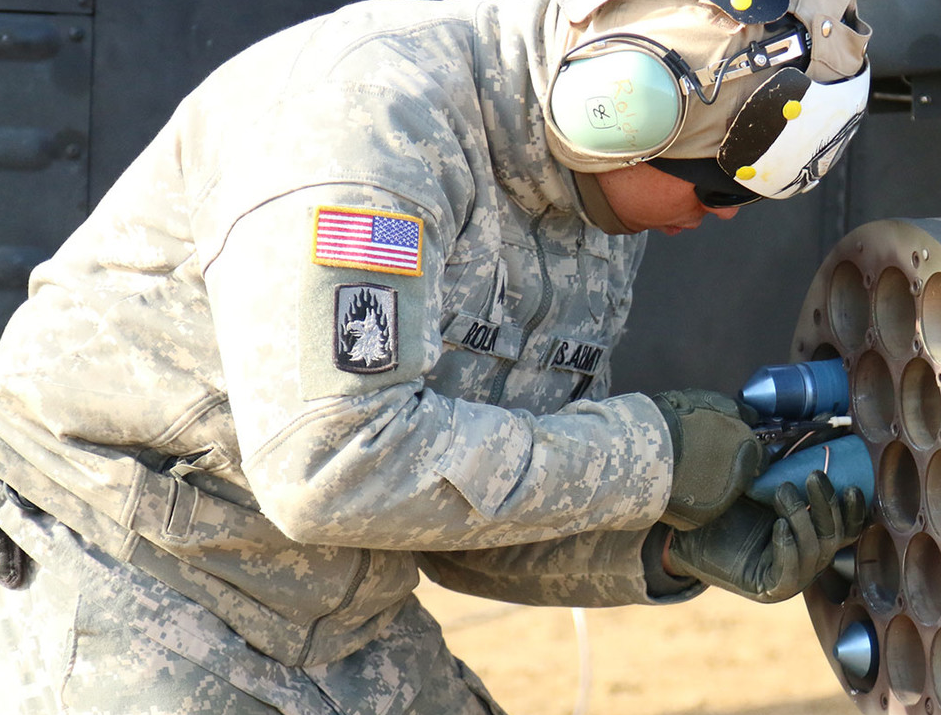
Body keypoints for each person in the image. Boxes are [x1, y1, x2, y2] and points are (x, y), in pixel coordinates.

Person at [0, 0, 872, 712]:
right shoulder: (367, 126)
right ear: (620, 101)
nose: (723, 214)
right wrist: (656, 457)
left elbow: (459, 509)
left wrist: (669, 547)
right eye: (720, 181)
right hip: (122, 565)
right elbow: (337, 466)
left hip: (338, 605)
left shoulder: (600, 193)